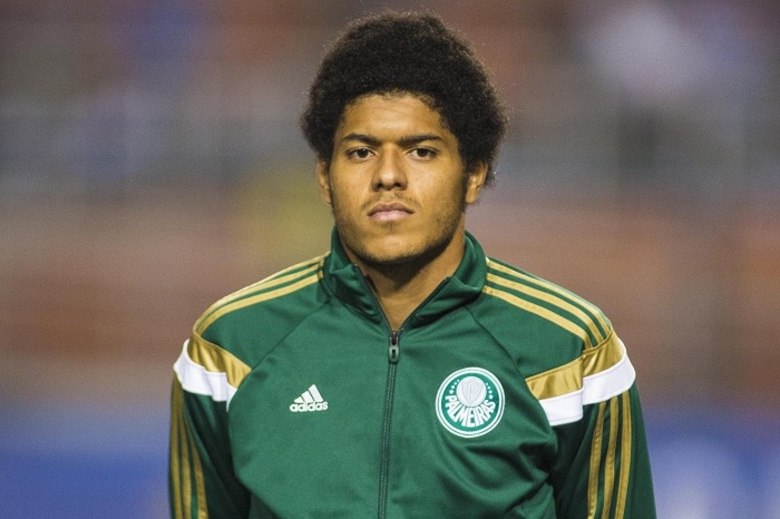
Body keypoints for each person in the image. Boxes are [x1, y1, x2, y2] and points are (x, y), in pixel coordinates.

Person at [169, 11, 656, 518]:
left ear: (473, 174)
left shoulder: (571, 349)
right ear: (324, 177)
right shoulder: (230, 348)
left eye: (421, 151)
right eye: (361, 152)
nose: (388, 175)